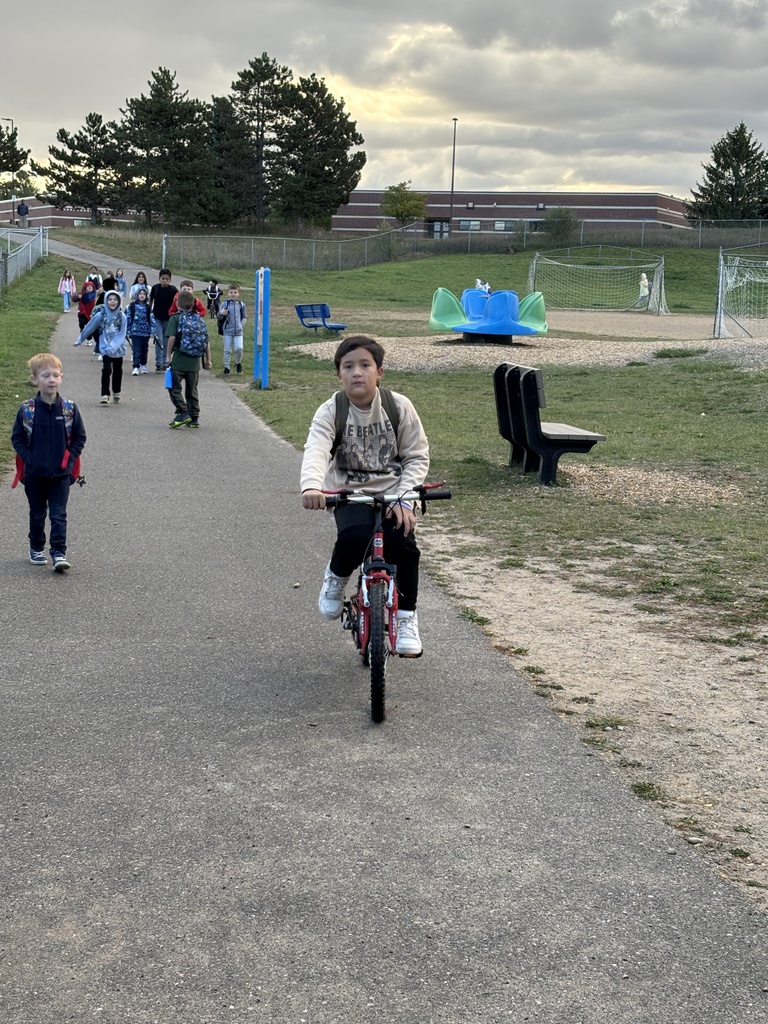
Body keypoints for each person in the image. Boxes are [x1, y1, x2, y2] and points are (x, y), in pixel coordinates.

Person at [300, 335, 430, 657]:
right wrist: (312, 487)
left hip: (394, 493)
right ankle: (336, 577)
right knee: (354, 537)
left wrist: (406, 496)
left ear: (379, 371)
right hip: (349, 493)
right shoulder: (332, 410)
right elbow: (316, 449)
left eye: (365, 365)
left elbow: (416, 456)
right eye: (348, 366)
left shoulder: (398, 407)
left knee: (404, 545)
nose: (357, 372)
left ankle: (407, 616)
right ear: (339, 374)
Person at [11, 353, 86, 572]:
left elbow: (80, 437)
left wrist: (69, 459)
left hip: (61, 475)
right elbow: (17, 438)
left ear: (61, 378)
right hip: (35, 474)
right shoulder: (28, 410)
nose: (51, 379)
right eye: (45, 375)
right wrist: (30, 459)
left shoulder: (69, 409)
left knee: (58, 514)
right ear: (35, 379)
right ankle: (36, 546)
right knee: (37, 513)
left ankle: (59, 552)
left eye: (55, 375)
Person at [165, 290, 212, 428]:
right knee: (192, 390)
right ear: (193, 304)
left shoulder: (175, 318)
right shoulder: (198, 318)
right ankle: (194, 418)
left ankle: (183, 411)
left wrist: (168, 356)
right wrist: (208, 360)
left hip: (180, 360)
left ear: (177, 303)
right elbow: (206, 340)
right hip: (195, 363)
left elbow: (172, 337)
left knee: (173, 387)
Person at [74, 290, 128, 404]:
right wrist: (80, 339)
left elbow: (121, 334)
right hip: (105, 347)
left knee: (118, 370)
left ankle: (116, 391)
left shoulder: (122, 316)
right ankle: (105, 394)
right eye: (110, 299)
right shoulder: (101, 315)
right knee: (106, 369)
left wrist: (113, 347)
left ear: (118, 301)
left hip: (118, 348)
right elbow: (90, 327)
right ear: (106, 301)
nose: (112, 302)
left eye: (115, 300)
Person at [149, 269, 178, 372]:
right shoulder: (155, 288)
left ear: (170, 280)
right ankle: (159, 362)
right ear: (159, 279)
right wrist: (150, 311)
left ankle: (166, 362)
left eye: (167, 279)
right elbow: (151, 299)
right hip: (157, 317)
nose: (165, 281)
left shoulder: (173, 290)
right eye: (163, 279)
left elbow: (177, 301)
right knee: (159, 340)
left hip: (168, 319)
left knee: (167, 341)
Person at [125, 287, 156, 375]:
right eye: (140, 294)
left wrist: (153, 331)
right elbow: (128, 319)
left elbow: (152, 320)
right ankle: (135, 366)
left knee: (144, 349)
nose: (142, 296)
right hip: (135, 332)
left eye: (144, 294)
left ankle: (143, 364)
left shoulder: (148, 307)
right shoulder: (131, 306)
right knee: (136, 349)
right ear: (136, 295)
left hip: (145, 332)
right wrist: (128, 330)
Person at [217, 283, 247, 375]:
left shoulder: (241, 305)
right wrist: (222, 313)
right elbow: (218, 317)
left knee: (239, 348)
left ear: (238, 294)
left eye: (235, 292)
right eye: (231, 292)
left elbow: (244, 316)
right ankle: (227, 367)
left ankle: (238, 363)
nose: (233, 294)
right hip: (227, 331)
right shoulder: (225, 304)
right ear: (228, 293)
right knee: (227, 350)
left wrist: (241, 324)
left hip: (238, 331)